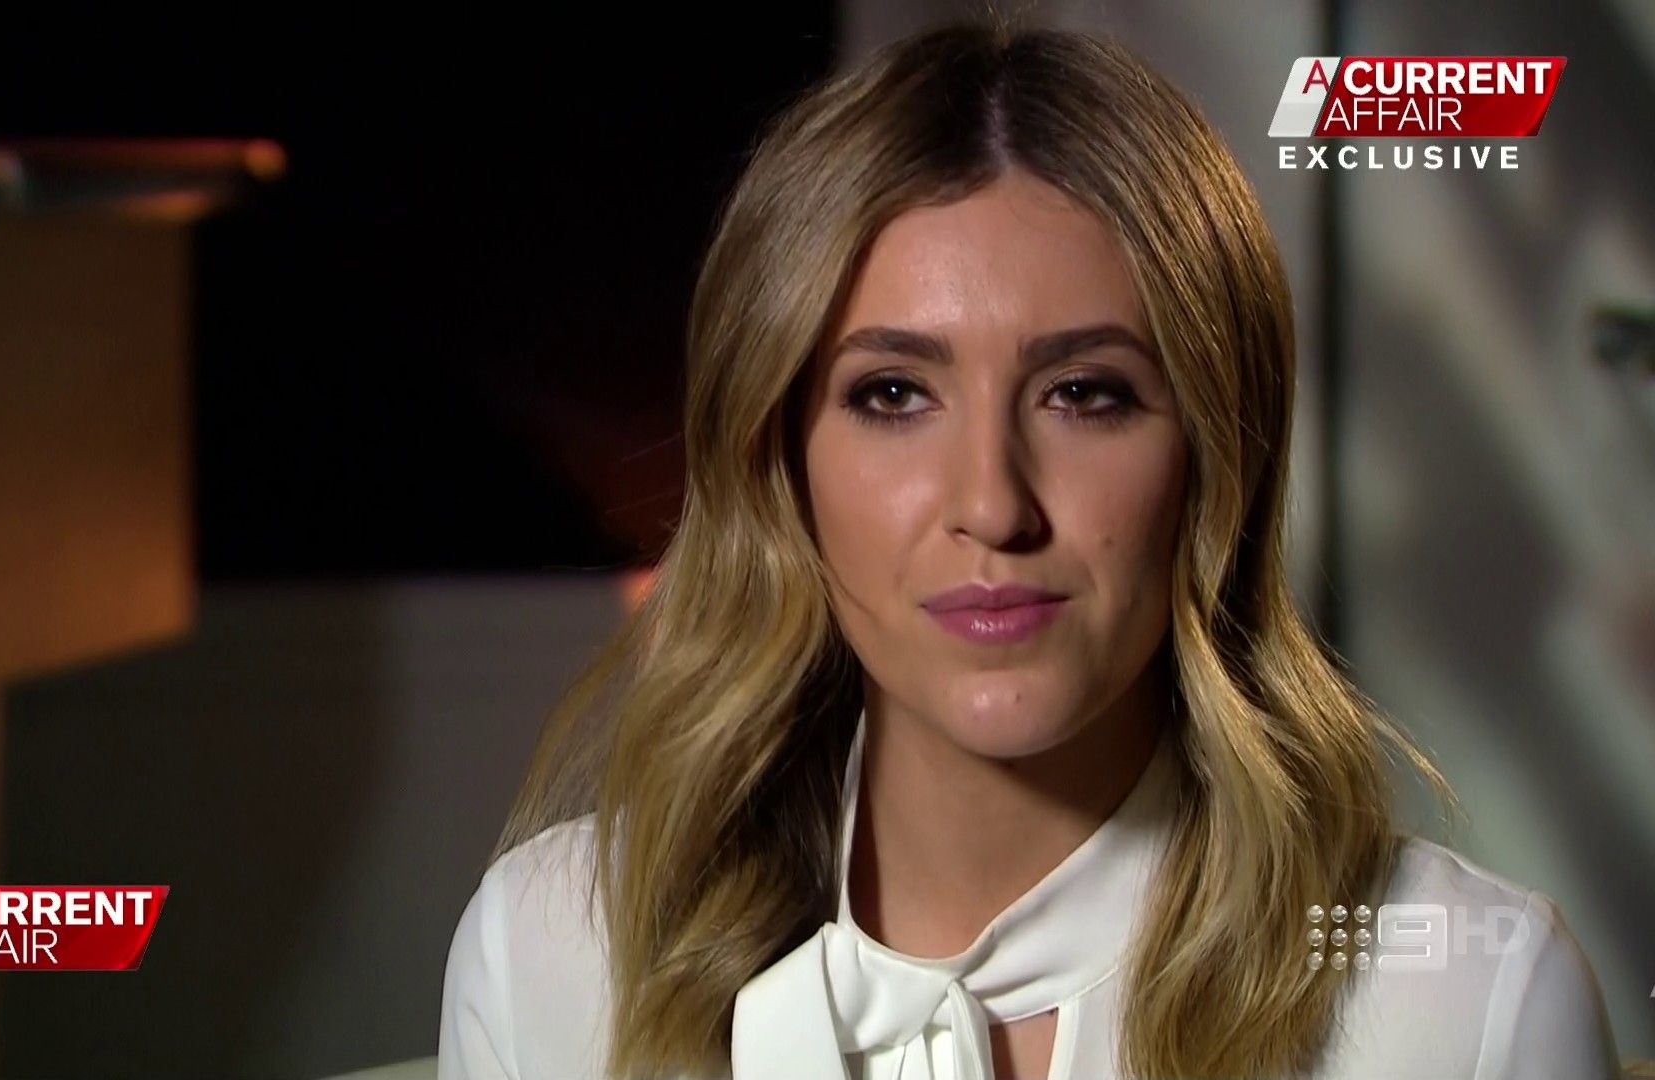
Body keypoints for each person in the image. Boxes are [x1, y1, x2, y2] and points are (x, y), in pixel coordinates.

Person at [437, 18, 1623, 1080]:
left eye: (1085, 393)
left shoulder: (1464, 1001)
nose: (993, 504)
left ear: (1214, 459)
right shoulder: (556, 954)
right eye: (893, 394)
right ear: (779, 464)